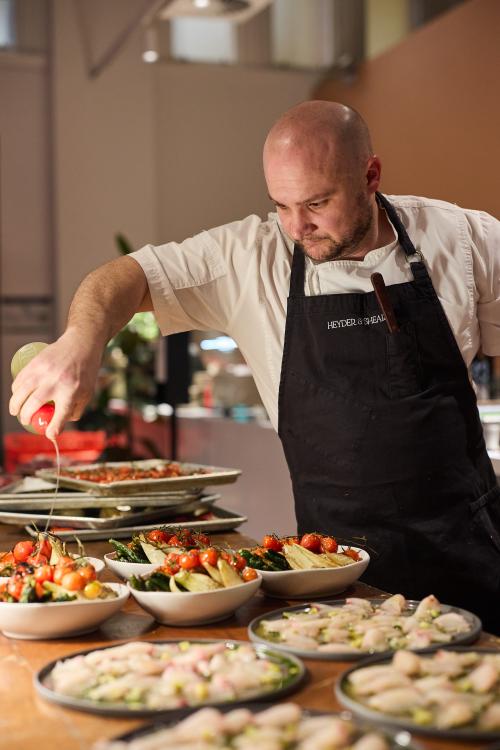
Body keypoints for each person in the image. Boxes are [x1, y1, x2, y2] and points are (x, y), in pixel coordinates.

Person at [10, 101, 500, 630]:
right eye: (281, 205)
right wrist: (82, 339)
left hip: (469, 556)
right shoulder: (250, 257)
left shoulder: (464, 240)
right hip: (331, 572)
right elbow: (123, 276)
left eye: (316, 202)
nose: (296, 226)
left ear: (371, 175)